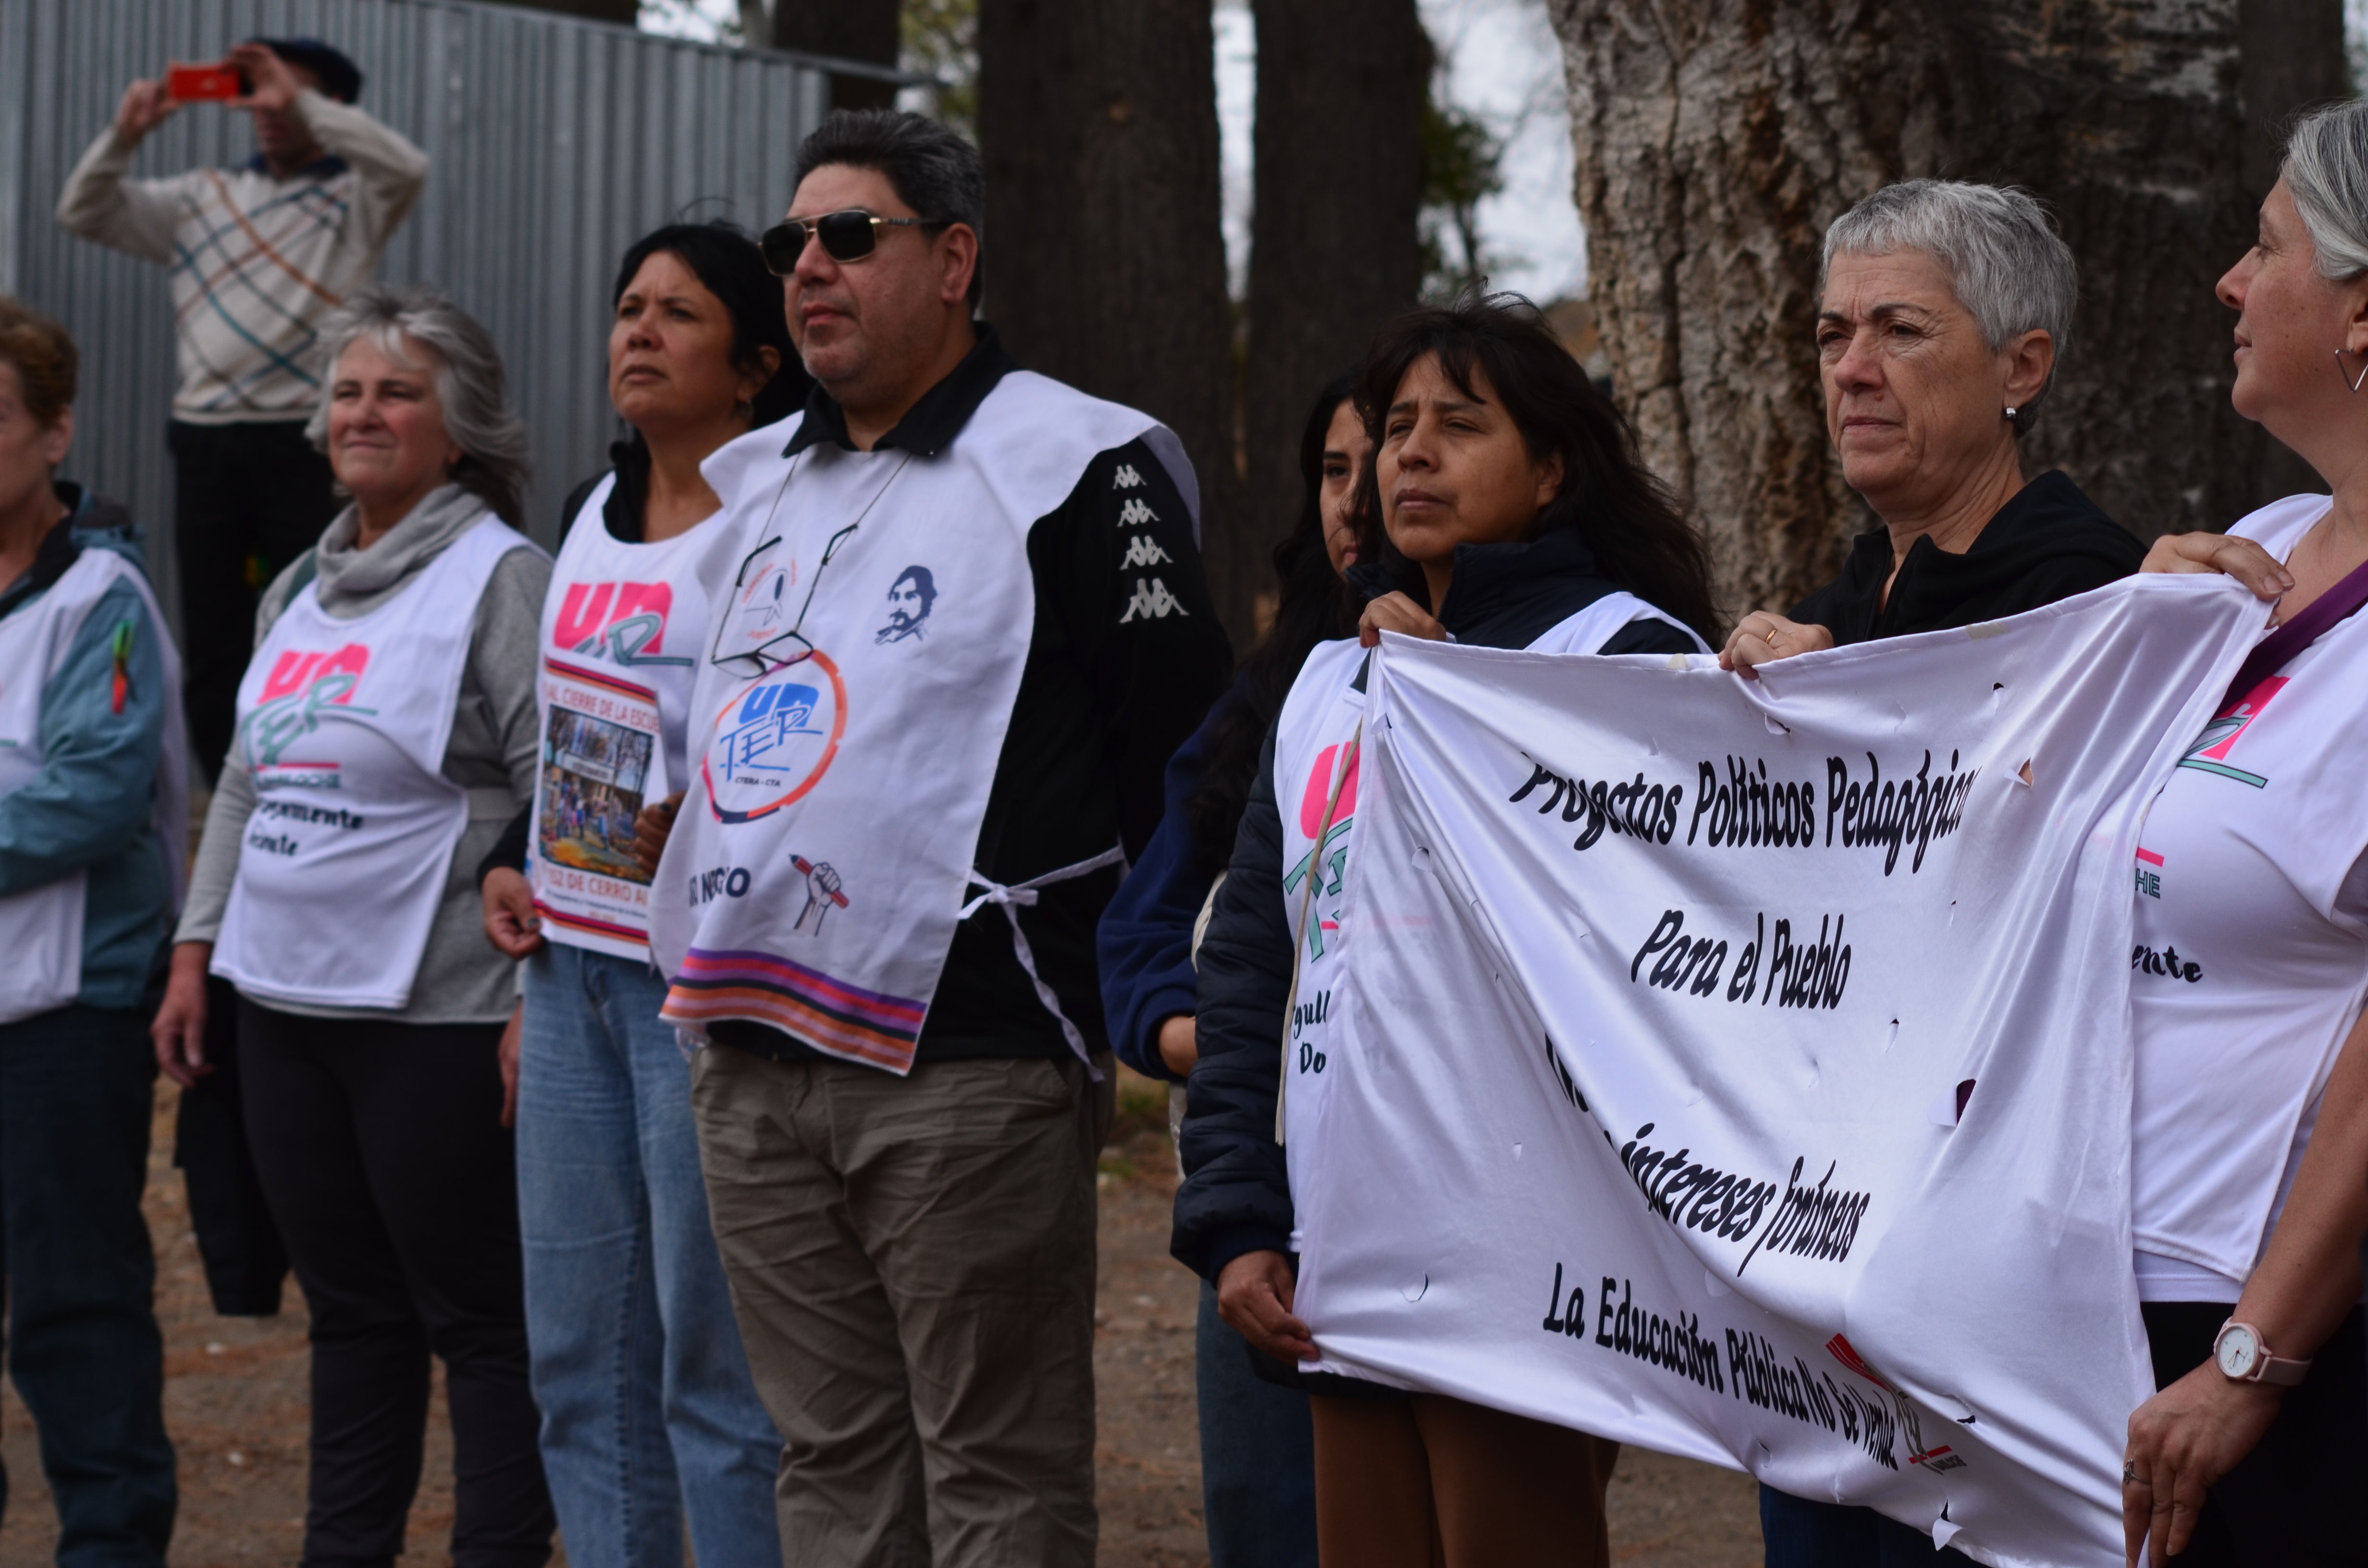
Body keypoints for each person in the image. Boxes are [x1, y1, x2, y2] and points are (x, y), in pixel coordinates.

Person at [650, 109, 1234, 1566]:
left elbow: (1183, 758)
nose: (809, 268)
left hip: (968, 1056)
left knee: (996, 1477)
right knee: (831, 1462)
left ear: (955, 259)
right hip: (746, 1047)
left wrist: (1143, 1000)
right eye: (793, 244)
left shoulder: (1080, 461)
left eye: (851, 237)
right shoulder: (758, 479)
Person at [1171, 294, 1718, 1568]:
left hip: (1526, 1249)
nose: (1410, 453)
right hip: (1343, 1229)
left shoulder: (1628, 658)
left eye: (1460, 425)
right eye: (1398, 425)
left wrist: (1450, 690)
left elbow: (1661, 956)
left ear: (1552, 470)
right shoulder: (1327, 678)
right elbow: (1252, 967)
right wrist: (1239, 1215)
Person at [1713, 181, 2144, 1565]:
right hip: (1828, 1265)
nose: (1852, 368)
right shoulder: (1840, 616)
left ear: (2023, 367)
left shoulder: (2095, 608)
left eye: (1900, 330)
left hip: (2000, 1267)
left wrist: (1853, 714)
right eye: (1832, 333)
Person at [149, 284, 556, 1568]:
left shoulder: (505, 579)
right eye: (345, 392)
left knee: (482, 1322)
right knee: (350, 1314)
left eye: (398, 392)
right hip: (283, 1011)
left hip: (439, 1016)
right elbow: (246, 783)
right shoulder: (297, 590)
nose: (363, 414)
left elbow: (556, 793)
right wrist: (195, 953)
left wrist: (540, 999)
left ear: (460, 430)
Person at [474, 220, 806, 1568]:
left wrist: (715, 818)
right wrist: (515, 854)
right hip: (568, 980)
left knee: (711, 1372)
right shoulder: (582, 515)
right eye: (628, 309)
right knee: (577, 1357)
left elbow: (812, 737)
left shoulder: (784, 523)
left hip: (702, 991)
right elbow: (572, 735)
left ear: (755, 366)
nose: (640, 333)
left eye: (678, 313)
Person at [2110, 99, 2368, 1568]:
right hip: (2108, 1282)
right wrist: (2128, 650)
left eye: (2266, 248)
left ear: (2362, 315)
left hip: (2282, 1338)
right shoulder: (2255, 547)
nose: (2227, 281)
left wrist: (2256, 1358)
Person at [1097, 368, 1369, 1568]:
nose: (1359, 498)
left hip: (1461, 1216)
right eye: (1333, 470)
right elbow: (1138, 936)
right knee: (1266, 1525)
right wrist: (1210, 1041)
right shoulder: (1270, 700)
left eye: (1390, 459)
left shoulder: (1559, 670)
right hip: (1260, 1196)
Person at [55, 37, 429, 783]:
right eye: (253, 92)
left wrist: (302, 102)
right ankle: (229, 790)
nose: (264, 106)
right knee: (217, 634)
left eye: (281, 92)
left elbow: (408, 167)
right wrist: (126, 135)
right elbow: (82, 209)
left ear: (327, 105)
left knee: (310, 613)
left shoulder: (355, 200)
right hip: (205, 439)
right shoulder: (203, 195)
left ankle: (302, 777)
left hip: (304, 442)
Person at [0, 297, 186, 1568]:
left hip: (63, 1026)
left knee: (78, 1318)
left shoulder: (99, 598)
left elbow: (91, 794)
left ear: (55, 432)